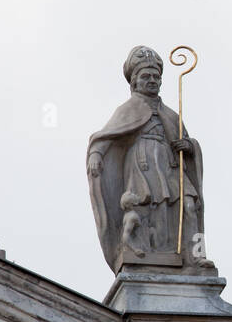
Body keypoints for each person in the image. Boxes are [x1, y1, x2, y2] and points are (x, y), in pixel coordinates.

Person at [86, 46, 212, 272]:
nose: (152, 80)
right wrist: (96, 154)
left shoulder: (172, 115)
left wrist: (190, 146)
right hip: (141, 164)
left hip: (170, 165)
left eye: (156, 77)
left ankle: (194, 256)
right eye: (146, 76)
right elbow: (104, 137)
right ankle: (142, 251)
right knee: (144, 208)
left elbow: (188, 143)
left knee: (189, 205)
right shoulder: (127, 109)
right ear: (134, 82)